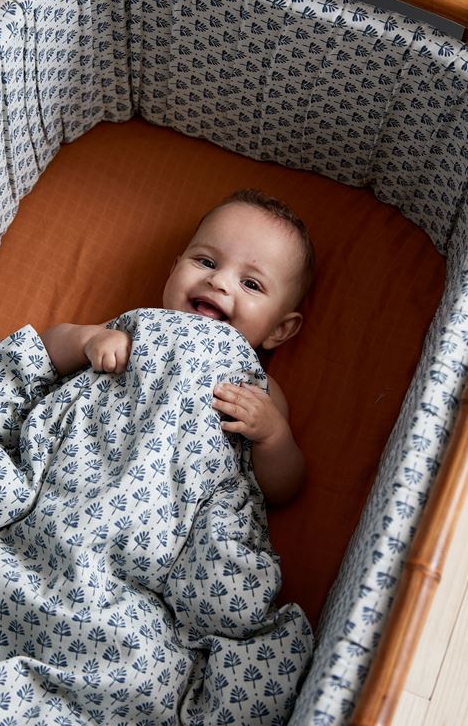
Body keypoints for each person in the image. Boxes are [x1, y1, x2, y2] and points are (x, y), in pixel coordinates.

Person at [40, 190, 315, 506]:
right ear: (174, 271)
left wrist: (273, 436)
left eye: (250, 284)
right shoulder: (138, 326)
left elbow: (282, 491)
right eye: (206, 261)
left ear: (279, 329)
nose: (219, 281)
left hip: (168, 506)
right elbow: (44, 352)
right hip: (78, 466)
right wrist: (87, 340)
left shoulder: (256, 389)